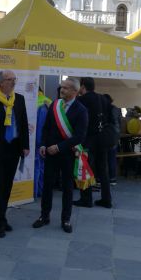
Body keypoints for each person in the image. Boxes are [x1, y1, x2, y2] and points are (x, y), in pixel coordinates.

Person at [33, 77, 88, 233]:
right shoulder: (55, 105)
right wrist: (43, 144)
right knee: (47, 186)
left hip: (68, 155)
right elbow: (46, 127)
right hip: (50, 153)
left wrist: (58, 147)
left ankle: (66, 219)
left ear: (75, 91)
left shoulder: (81, 110)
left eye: (65, 88)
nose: (62, 90)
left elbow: (79, 136)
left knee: (67, 188)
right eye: (61, 87)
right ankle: (44, 216)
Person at [0, 70, 30, 238]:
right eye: (10, 79)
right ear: (1, 83)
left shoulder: (19, 99)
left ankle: (0, 218)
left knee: (7, 186)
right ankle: (1, 221)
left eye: (14, 79)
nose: (13, 82)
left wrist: (25, 145)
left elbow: (23, 124)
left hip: (14, 149)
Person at [73, 77, 112, 208]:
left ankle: (86, 199)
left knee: (85, 168)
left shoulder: (81, 100)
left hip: (88, 140)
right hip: (102, 139)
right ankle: (106, 199)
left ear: (83, 87)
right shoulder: (103, 99)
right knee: (103, 170)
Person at [34, 88, 52, 197]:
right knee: (43, 167)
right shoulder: (48, 101)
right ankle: (42, 190)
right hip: (47, 141)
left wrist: (39, 143)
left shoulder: (34, 102)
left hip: (37, 141)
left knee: (36, 167)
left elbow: (40, 127)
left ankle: (35, 192)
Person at [103, 93, 122, 185]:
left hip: (105, 135)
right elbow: (119, 123)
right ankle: (113, 178)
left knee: (103, 158)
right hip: (114, 136)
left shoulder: (103, 109)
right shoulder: (116, 109)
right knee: (112, 157)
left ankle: (101, 178)